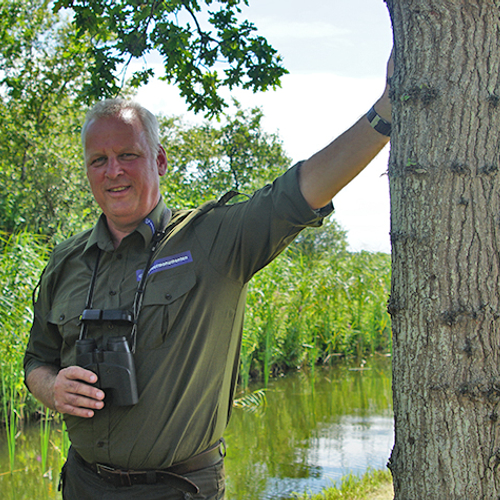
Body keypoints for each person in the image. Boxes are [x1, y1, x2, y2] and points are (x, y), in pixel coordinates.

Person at [23, 52, 393, 499]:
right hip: (82, 484)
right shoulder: (66, 262)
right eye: (98, 160)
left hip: (178, 489)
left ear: (159, 160)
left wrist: (385, 112)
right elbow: (36, 361)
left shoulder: (213, 241)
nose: (113, 171)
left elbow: (302, 191)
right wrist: (53, 388)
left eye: (127, 154)